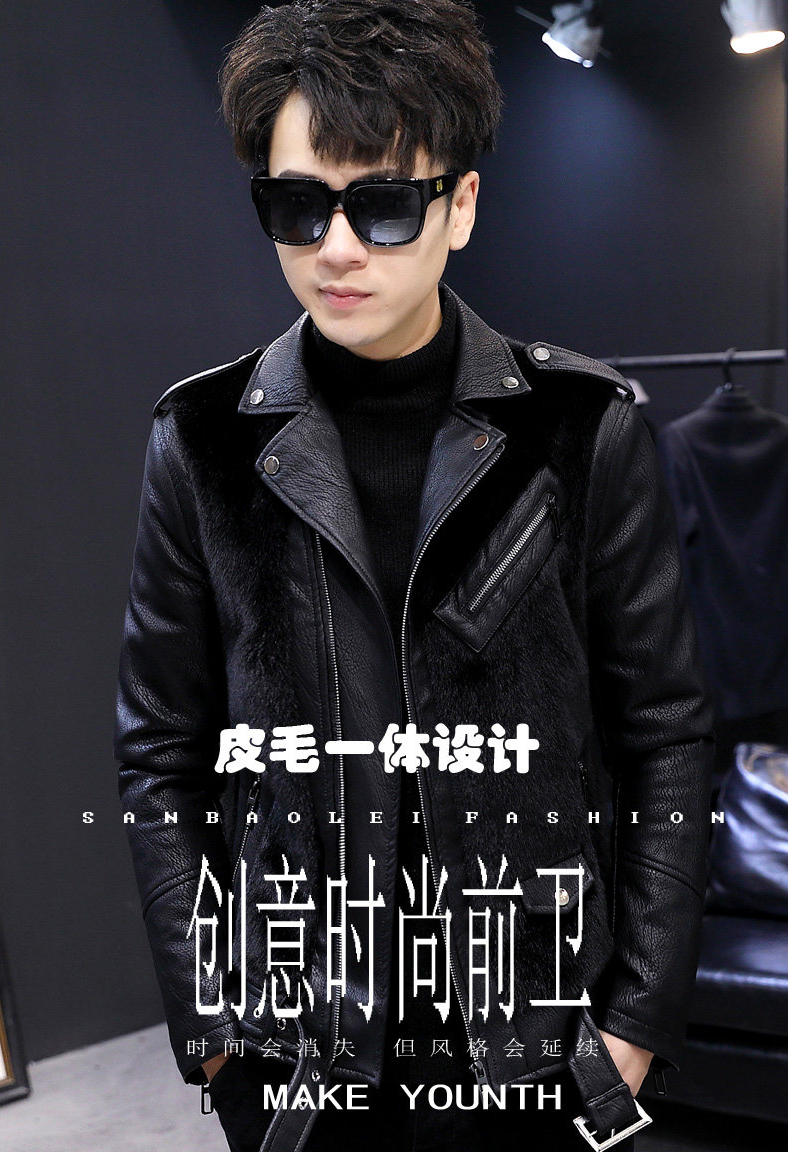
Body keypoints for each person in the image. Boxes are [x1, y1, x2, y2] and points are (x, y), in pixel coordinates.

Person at [114, 2, 715, 1150]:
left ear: (461, 205)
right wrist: (213, 1026)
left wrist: (635, 1018)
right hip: (299, 1052)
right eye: (298, 206)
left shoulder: (580, 426)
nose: (336, 249)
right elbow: (161, 752)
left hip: (532, 1038)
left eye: (383, 204)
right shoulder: (201, 441)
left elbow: (666, 735)